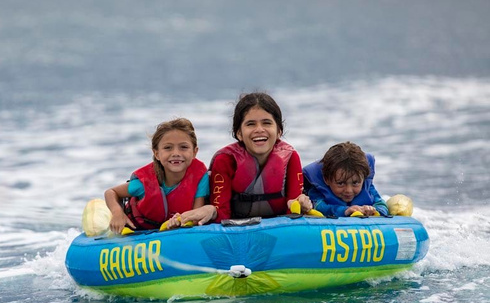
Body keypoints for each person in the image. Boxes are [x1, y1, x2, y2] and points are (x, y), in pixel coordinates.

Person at [183, 92, 311, 224]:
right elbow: (221, 214)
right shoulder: (225, 160)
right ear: (239, 133)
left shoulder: (290, 157)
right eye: (250, 124)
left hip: (279, 229)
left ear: (279, 131)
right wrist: (212, 210)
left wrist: (301, 204)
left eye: (267, 123)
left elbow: (293, 215)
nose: (259, 129)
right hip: (236, 228)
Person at [104, 118, 217, 234]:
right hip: (136, 227)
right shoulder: (145, 183)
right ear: (157, 154)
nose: (176, 153)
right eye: (168, 148)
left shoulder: (200, 177)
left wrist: (179, 222)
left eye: (183, 147)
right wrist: (117, 213)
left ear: (194, 152)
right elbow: (111, 192)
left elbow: (196, 216)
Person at [303, 141, 389, 217]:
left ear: (363, 178)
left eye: (355, 183)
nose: (348, 190)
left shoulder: (367, 187)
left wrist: (372, 210)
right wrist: (346, 210)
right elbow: (319, 207)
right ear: (327, 180)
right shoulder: (318, 190)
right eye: (341, 183)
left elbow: (382, 205)